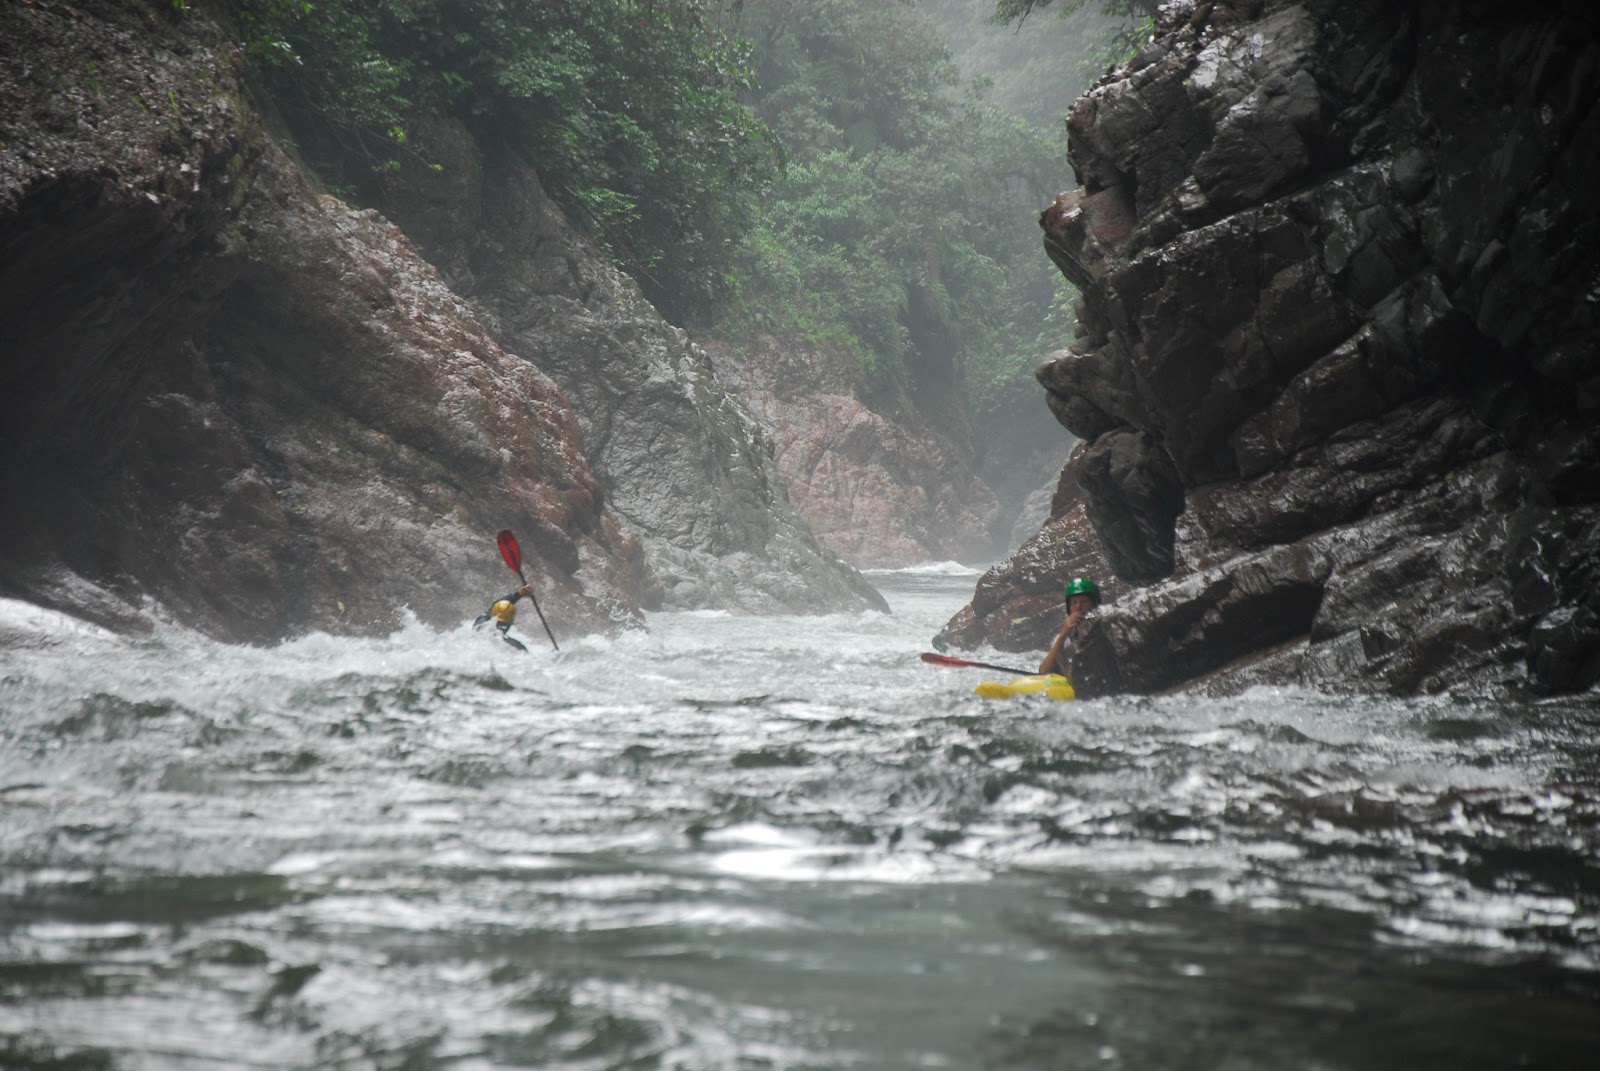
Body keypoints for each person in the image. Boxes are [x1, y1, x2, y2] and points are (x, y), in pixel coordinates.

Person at [1039, 577, 1100, 678]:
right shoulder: (1066, 638)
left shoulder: (1106, 628)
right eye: (1074, 602)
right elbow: (1044, 671)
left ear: (1094, 604)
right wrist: (1063, 635)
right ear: (1069, 608)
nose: (1078, 607)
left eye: (1084, 601)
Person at [474, 583, 536, 652]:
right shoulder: (517, 646)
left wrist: (518, 594)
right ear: (510, 622)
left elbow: (493, 607)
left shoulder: (479, 627)